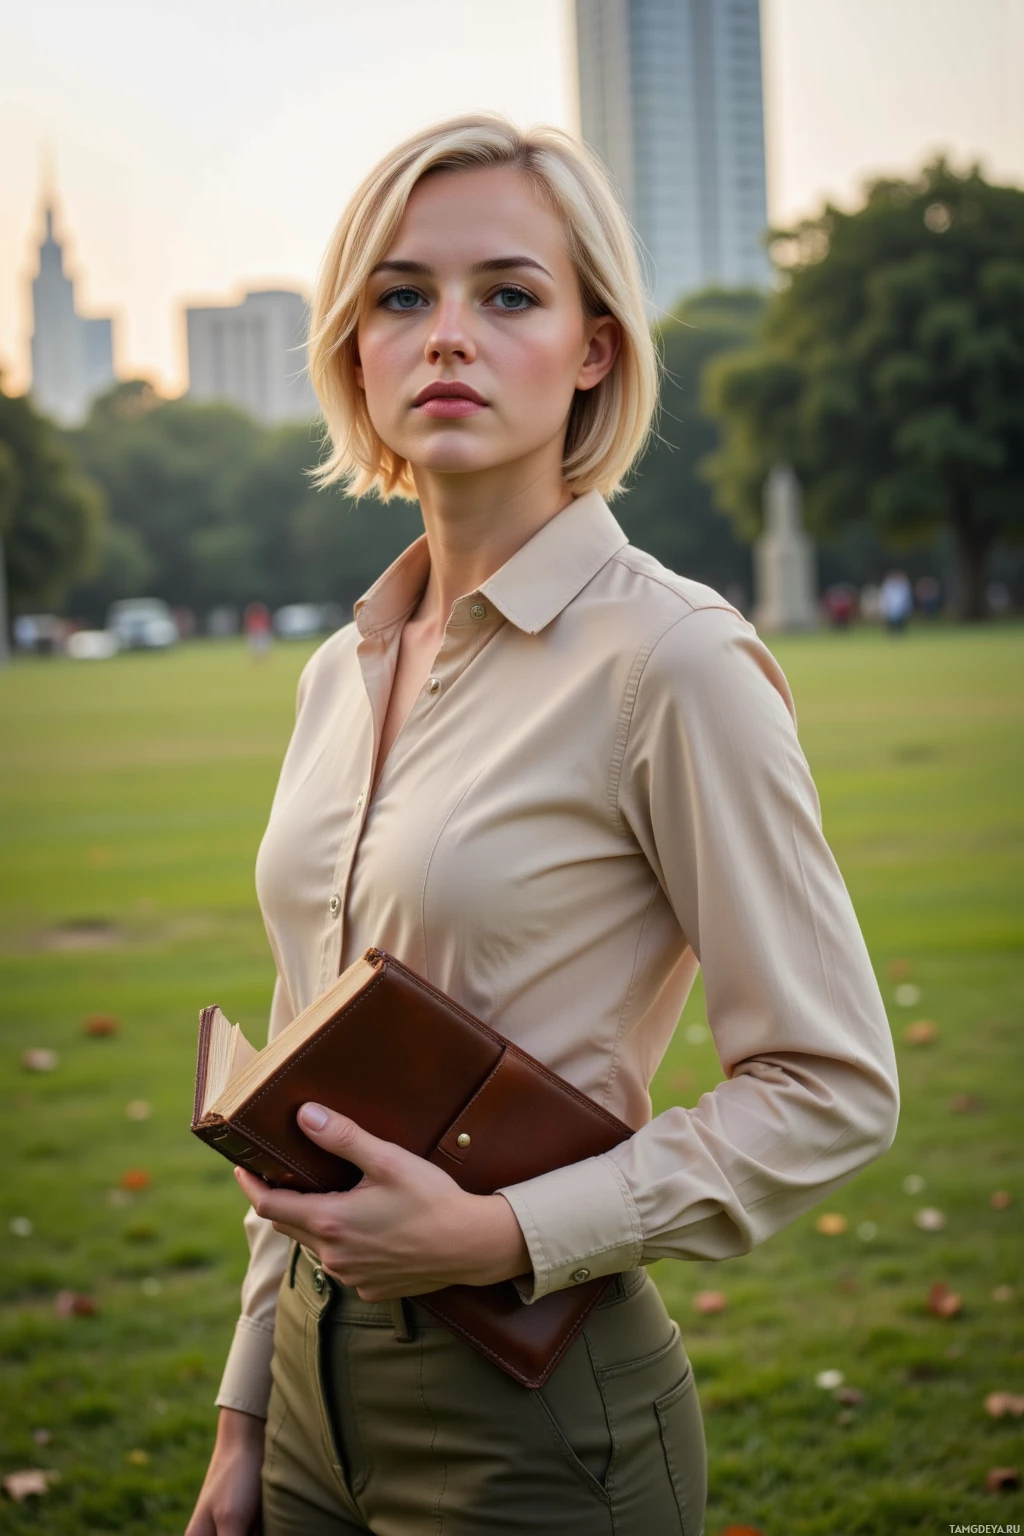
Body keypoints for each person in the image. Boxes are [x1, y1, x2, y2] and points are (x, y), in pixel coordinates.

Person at [186, 112, 900, 1536]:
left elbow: (833, 1086)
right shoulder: (341, 670)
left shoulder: (672, 662)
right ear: (356, 349)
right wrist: (248, 1412)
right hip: (314, 1409)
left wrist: (504, 1231)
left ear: (593, 349)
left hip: (536, 1423)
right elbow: (303, 1067)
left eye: (507, 294)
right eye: (403, 297)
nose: (446, 333)